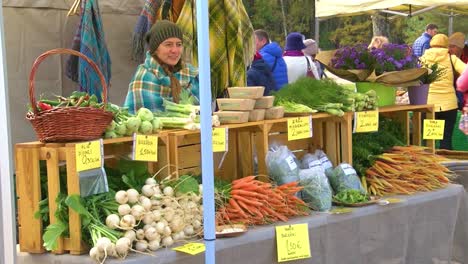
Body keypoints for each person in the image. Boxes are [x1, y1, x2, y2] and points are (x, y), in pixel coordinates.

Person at [124, 20, 199, 114]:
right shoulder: (144, 78)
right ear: (155, 49)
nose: (175, 50)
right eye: (168, 44)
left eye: (179, 44)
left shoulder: (192, 75)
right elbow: (140, 123)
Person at [420, 34, 466, 149]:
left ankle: (429, 164)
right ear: (446, 45)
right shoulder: (451, 58)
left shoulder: (423, 59)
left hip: (428, 104)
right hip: (448, 105)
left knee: (429, 140)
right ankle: (447, 164)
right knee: (446, 139)